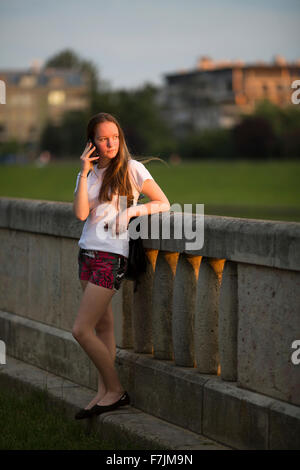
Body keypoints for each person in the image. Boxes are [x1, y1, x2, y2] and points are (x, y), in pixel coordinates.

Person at [72, 112, 170, 419]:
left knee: (80, 329)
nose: (110, 143)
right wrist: (85, 171)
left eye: (114, 137)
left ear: (120, 138)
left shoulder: (132, 168)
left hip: (111, 257)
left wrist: (130, 213)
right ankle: (103, 393)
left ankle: (115, 390)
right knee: (103, 326)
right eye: (103, 138)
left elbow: (163, 202)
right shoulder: (87, 173)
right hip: (86, 253)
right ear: (92, 143)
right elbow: (80, 214)